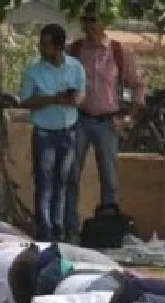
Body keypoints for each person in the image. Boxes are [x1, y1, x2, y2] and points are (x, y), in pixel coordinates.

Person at [65, 3, 146, 241]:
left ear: (104, 23)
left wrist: (129, 118)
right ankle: (70, 229)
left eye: (94, 20)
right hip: (79, 119)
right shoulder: (75, 50)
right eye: (86, 20)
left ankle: (107, 232)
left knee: (109, 179)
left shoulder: (119, 52)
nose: (90, 26)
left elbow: (139, 85)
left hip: (107, 122)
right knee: (71, 175)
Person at [19, 24, 85, 242]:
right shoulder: (33, 70)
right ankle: (44, 230)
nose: (41, 49)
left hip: (68, 131)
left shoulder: (75, 68)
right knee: (44, 184)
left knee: (63, 183)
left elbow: (80, 96)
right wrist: (53, 99)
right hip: (44, 133)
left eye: (46, 45)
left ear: (59, 47)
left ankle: (59, 230)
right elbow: (26, 100)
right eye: (41, 44)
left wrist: (73, 98)